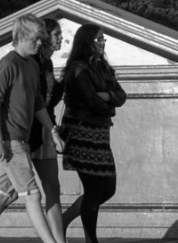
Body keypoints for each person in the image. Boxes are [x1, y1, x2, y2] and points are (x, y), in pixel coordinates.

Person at [0, 14, 65, 243]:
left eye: (41, 38)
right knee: (33, 195)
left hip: (22, 140)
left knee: (1, 194)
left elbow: (38, 103)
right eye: (36, 38)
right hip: (11, 142)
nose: (40, 43)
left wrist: (53, 132)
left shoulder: (32, 65)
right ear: (21, 37)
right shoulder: (8, 64)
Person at [60, 24, 127, 243]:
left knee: (108, 189)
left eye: (103, 39)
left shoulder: (103, 67)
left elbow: (121, 95)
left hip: (100, 133)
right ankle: (91, 239)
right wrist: (109, 103)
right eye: (98, 39)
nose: (102, 43)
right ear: (86, 42)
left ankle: (63, 220)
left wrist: (107, 97)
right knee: (94, 189)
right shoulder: (78, 68)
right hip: (81, 131)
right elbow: (90, 100)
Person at [29, 18, 65, 242]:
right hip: (28, 131)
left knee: (52, 186)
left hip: (46, 127)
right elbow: (35, 101)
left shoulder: (48, 63)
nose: (61, 38)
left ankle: (59, 240)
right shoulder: (31, 61)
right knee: (7, 193)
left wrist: (62, 82)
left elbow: (49, 101)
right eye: (56, 34)